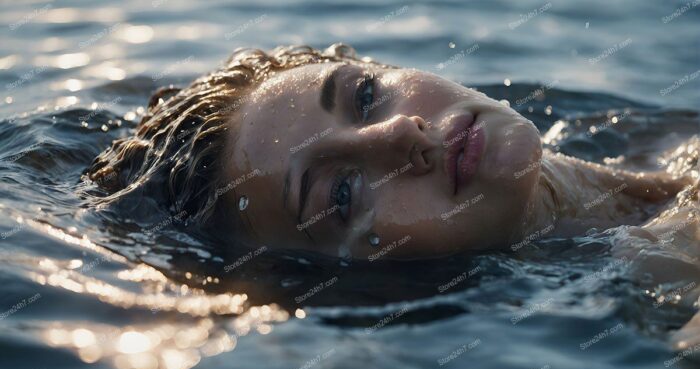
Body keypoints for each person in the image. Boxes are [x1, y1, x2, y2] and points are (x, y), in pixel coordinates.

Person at [87, 43, 698, 265]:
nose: (402, 135)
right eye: (343, 194)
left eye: (366, 96)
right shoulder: (671, 283)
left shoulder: (674, 142)